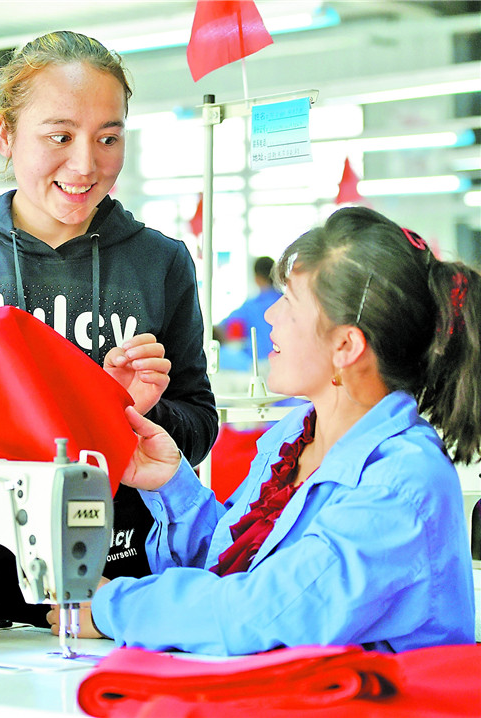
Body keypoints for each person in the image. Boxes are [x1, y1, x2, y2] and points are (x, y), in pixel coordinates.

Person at [0, 31, 217, 623]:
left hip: (112, 587)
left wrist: (133, 411)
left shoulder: (160, 262)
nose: (86, 165)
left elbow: (198, 424)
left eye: (108, 138)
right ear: (6, 136)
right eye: (59, 136)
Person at [48, 206, 480, 655]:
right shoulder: (296, 437)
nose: (270, 314)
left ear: (345, 345)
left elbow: (262, 611)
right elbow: (238, 562)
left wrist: (113, 606)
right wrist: (171, 483)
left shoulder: (402, 483)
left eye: (290, 302)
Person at [215, 255, 282, 370]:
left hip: (259, 366)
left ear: (257, 278)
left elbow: (220, 329)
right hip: (285, 364)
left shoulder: (250, 307)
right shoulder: (287, 301)